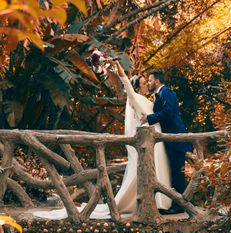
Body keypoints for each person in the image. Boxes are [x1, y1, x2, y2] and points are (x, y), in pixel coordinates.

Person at [32, 59, 172, 220]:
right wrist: (117, 65)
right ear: (137, 86)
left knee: (159, 169)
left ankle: (160, 202)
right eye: (143, 82)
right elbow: (125, 80)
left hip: (156, 139)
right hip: (147, 141)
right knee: (147, 169)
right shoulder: (134, 98)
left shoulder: (149, 99)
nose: (147, 84)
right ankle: (147, 201)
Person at [141, 69, 193, 215]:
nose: (149, 83)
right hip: (169, 139)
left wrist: (149, 118)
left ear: (156, 81)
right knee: (174, 172)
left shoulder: (167, 93)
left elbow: (169, 113)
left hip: (176, 138)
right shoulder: (159, 95)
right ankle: (176, 203)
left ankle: (179, 206)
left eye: (150, 80)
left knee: (177, 173)